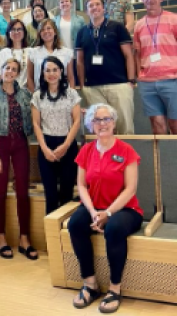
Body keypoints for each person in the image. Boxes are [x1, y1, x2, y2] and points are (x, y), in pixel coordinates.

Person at [68, 104, 143, 313]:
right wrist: (93, 212)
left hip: (125, 210)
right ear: (91, 125)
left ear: (114, 122)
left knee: (114, 229)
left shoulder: (126, 151)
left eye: (106, 119)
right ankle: (90, 284)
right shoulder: (86, 150)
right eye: (97, 120)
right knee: (75, 224)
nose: (102, 124)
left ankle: (114, 289)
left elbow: (130, 189)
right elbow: (81, 185)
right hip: (95, 206)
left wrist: (108, 213)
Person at [0, 59, 37, 260]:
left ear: (18, 74)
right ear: (2, 70)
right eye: (7, 68)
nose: (10, 72)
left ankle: (24, 238)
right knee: (0, 191)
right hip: (0, 143)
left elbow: (32, 122)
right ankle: (1, 237)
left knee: (22, 190)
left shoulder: (25, 95)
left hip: (21, 143)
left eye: (14, 69)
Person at [75, 0, 135, 134]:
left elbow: (128, 55)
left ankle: (126, 156)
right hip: (93, 88)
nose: (94, 8)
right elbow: (80, 61)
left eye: (97, 4)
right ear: (86, 11)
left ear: (103, 8)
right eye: (91, 6)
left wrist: (131, 80)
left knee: (124, 127)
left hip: (119, 85)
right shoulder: (82, 32)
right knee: (101, 129)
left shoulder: (117, 27)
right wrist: (83, 86)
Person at [31, 57, 80, 214]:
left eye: (54, 70)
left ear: (61, 72)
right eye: (47, 70)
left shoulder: (71, 93)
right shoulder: (38, 96)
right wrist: (44, 148)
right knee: (50, 194)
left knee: (67, 193)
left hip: (68, 144)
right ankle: (51, 237)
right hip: (46, 146)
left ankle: (66, 235)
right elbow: (36, 124)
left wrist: (65, 145)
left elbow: (77, 121)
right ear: (43, 73)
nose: (51, 74)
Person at [133, 0, 177, 134]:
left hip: (172, 80)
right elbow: (137, 54)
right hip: (148, 82)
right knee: (157, 126)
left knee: (175, 124)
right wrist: (138, 75)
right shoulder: (138, 25)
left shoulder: (174, 20)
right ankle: (162, 158)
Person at [27, 19, 74, 92]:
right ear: (39, 34)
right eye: (42, 30)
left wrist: (72, 96)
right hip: (40, 93)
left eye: (49, 28)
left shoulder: (67, 52)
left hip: (62, 94)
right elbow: (29, 77)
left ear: (55, 32)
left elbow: (70, 77)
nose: (46, 31)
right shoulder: (33, 52)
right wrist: (34, 95)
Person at [0, 19, 30, 88]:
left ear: (24, 32)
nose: (16, 32)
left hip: (27, 92)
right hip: (8, 92)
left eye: (19, 29)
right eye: (13, 29)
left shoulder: (31, 51)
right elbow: (0, 75)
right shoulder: (4, 52)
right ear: (8, 33)